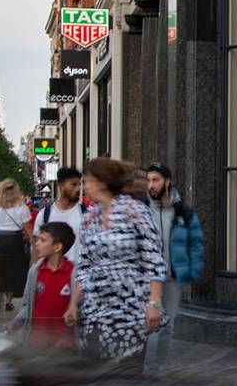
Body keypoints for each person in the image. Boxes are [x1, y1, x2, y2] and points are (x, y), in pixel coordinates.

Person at [64, 158, 166, 373]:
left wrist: (154, 303)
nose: (85, 187)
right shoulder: (90, 217)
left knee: (125, 375)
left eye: (88, 181)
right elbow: (83, 265)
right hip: (94, 310)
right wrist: (74, 303)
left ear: (102, 182)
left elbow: (153, 260)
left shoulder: (135, 211)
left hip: (128, 309)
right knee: (94, 373)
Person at [144, 162, 204, 367]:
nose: (151, 185)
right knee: (145, 325)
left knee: (166, 326)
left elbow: (196, 242)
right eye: (149, 180)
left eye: (156, 180)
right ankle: (141, 368)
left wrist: (190, 272)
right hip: (145, 279)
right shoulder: (141, 210)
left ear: (167, 182)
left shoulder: (183, 212)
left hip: (171, 279)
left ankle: (157, 368)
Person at [7, 221, 76, 348]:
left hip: (63, 346)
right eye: (37, 239)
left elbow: (77, 310)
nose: (37, 244)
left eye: (42, 240)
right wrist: (14, 324)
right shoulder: (35, 271)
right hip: (36, 342)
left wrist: (70, 336)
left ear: (57, 247)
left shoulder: (74, 274)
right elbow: (28, 306)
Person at [0, 179, 31, 312]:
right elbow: (28, 229)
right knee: (14, 270)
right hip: (15, 240)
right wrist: (32, 242)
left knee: (0, 267)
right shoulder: (22, 207)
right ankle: (8, 301)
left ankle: (0, 290)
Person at [30, 167, 84, 264]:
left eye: (79, 185)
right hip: (50, 275)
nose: (78, 189)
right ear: (61, 186)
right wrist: (32, 273)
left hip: (78, 274)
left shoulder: (85, 213)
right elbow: (36, 249)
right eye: (73, 184)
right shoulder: (44, 215)